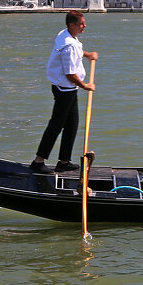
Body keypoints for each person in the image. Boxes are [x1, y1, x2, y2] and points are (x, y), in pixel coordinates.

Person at [31, 11, 98, 174]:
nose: (84, 26)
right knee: (56, 125)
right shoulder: (69, 45)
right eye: (81, 23)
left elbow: (76, 50)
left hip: (68, 88)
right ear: (72, 25)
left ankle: (64, 161)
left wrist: (87, 54)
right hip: (65, 90)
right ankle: (38, 162)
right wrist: (85, 86)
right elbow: (70, 74)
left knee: (72, 124)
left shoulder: (66, 35)